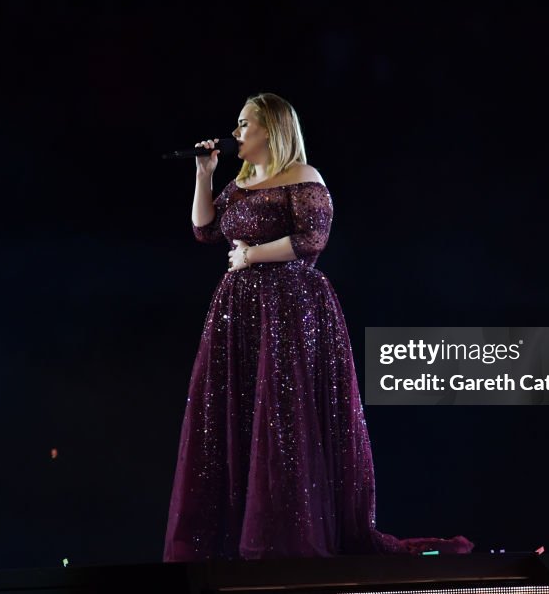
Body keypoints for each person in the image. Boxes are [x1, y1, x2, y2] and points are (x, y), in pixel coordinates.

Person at [163, 92, 473, 560]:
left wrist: (250, 255)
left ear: (272, 129)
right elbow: (205, 230)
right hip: (240, 310)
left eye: (245, 124)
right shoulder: (242, 182)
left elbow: (312, 239)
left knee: (284, 417)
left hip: (289, 306)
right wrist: (204, 176)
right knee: (242, 413)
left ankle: (286, 541)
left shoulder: (304, 178)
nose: (236, 133)